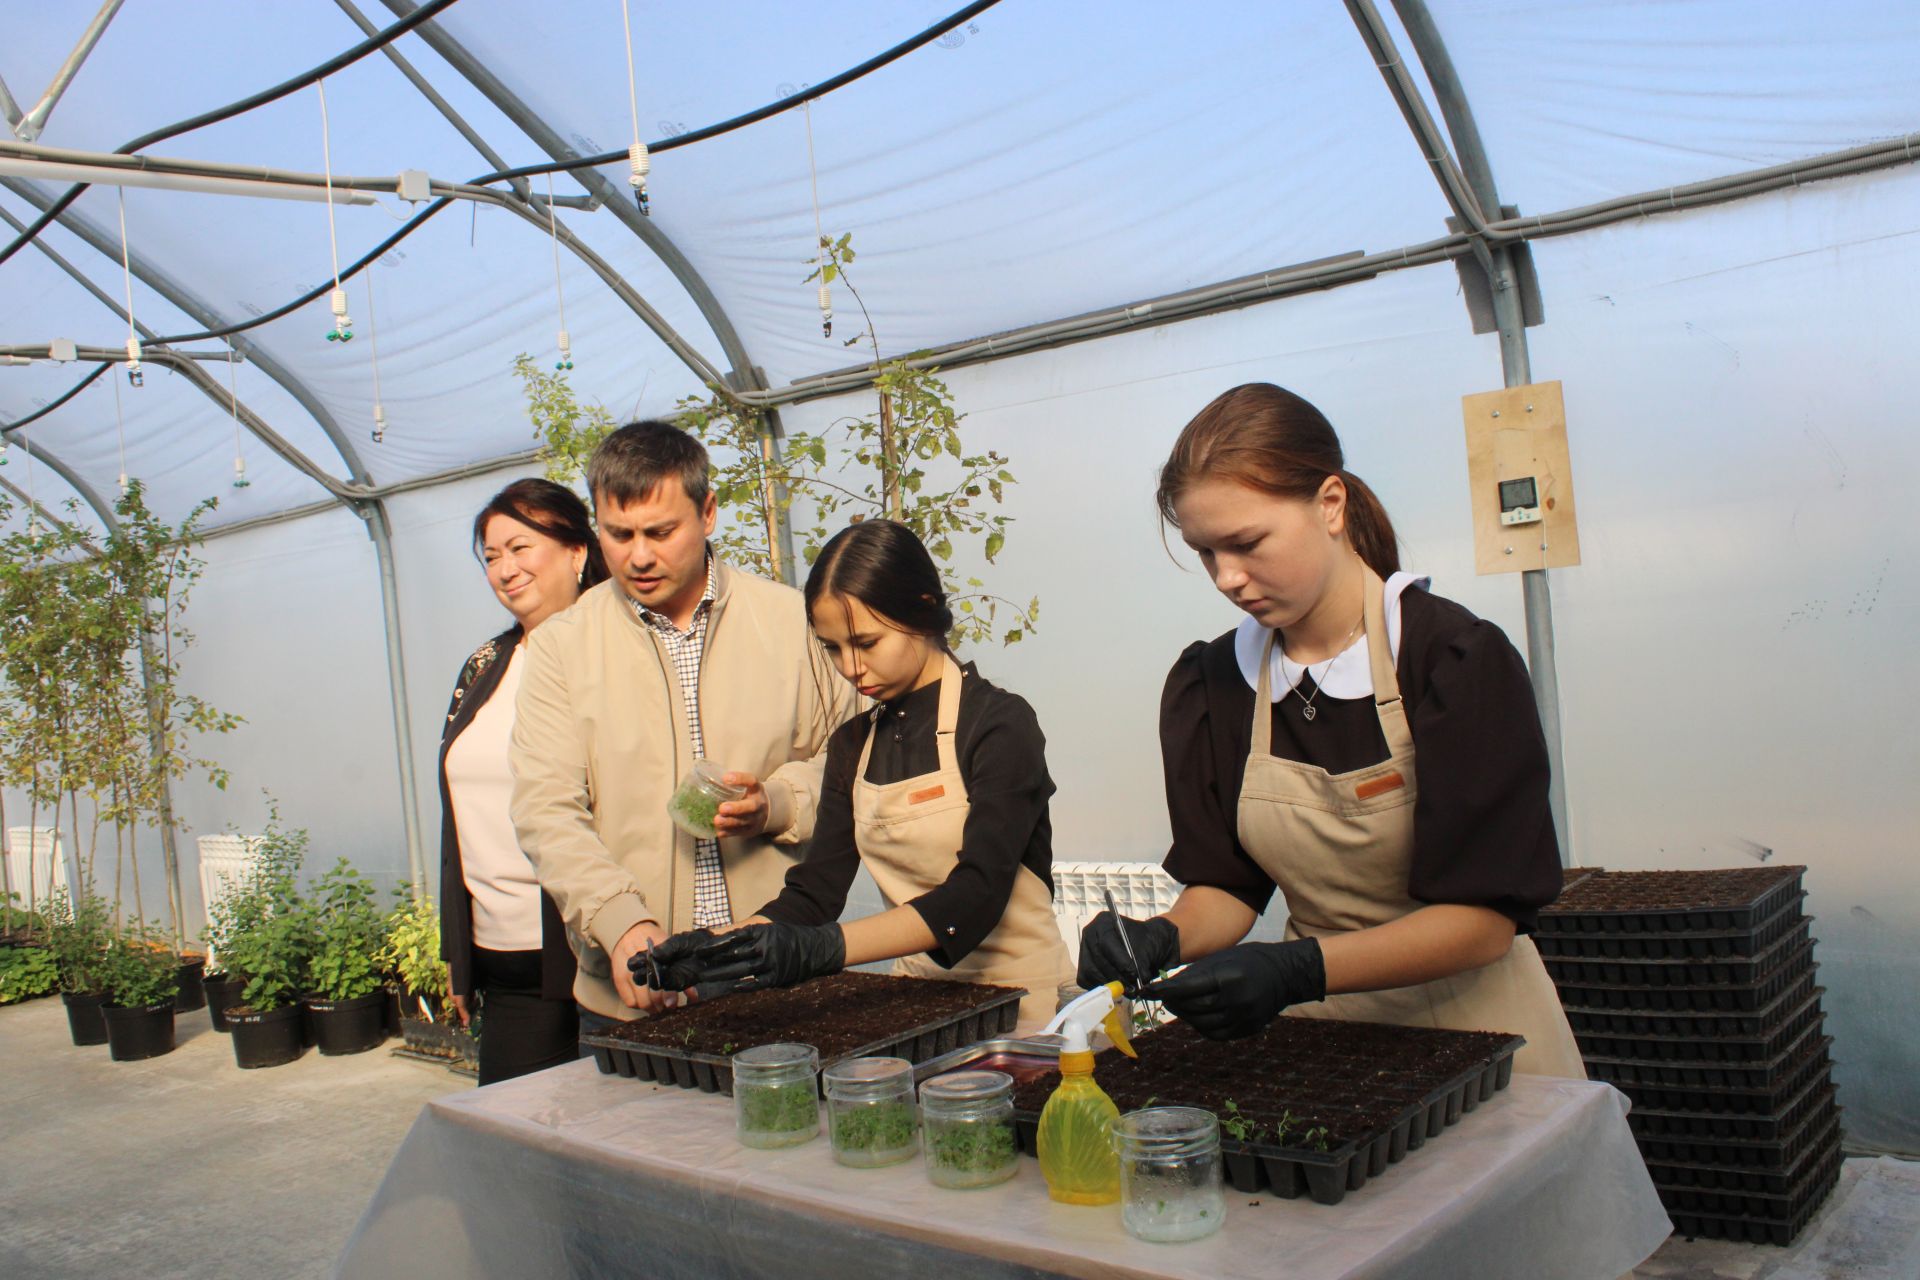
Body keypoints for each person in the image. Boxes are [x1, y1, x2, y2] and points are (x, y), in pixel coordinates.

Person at [1078, 383, 1584, 1078]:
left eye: (1247, 543)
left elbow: (1484, 923)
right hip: (1326, 1047)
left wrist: (1294, 968)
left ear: (1331, 504)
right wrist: (1162, 936)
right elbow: (1229, 887)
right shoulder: (1217, 684)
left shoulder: (1449, 661)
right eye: (1204, 553)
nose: (1227, 577)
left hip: (1486, 1040)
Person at [642, 520, 1074, 1030]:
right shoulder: (853, 745)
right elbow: (815, 893)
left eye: (866, 642)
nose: (850, 667)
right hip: (921, 1004)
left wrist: (827, 948)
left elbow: (975, 897)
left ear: (922, 609)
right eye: (832, 648)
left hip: (1028, 1006)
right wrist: (723, 949)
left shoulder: (999, 723)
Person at [509, 421, 860, 1028]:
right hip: (634, 990)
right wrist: (620, 922)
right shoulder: (562, 647)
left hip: (777, 970)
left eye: (661, 532)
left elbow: (855, 762)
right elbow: (546, 809)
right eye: (618, 535)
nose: (639, 555)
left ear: (709, 513)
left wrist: (775, 803)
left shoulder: (792, 622)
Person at [440, 478, 607, 1085]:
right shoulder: (486, 665)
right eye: (491, 557)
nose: (505, 569)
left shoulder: (615, 653)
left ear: (576, 551)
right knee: (519, 1145)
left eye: (520, 547)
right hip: (504, 962)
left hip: (597, 949)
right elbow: (455, 817)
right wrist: (461, 957)